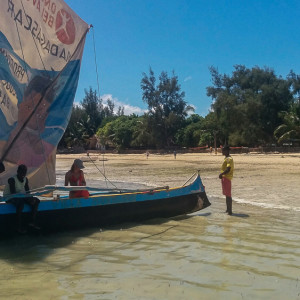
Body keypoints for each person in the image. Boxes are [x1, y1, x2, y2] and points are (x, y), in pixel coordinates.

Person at [3, 164, 40, 233]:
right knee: (21, 204)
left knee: (36, 201)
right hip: (9, 197)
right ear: (17, 172)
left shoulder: (25, 179)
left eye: (24, 173)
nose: (23, 174)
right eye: (21, 172)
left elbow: (27, 192)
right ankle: (18, 227)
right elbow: (13, 194)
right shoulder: (12, 180)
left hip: (19, 196)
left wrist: (31, 199)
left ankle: (31, 222)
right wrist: (25, 198)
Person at [219, 145, 234, 215]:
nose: (222, 151)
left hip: (227, 178)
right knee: (226, 195)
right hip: (225, 178)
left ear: (227, 151)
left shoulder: (229, 159)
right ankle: (228, 209)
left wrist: (221, 174)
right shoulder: (226, 158)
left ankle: (230, 211)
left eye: (223, 150)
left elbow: (228, 169)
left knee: (228, 195)